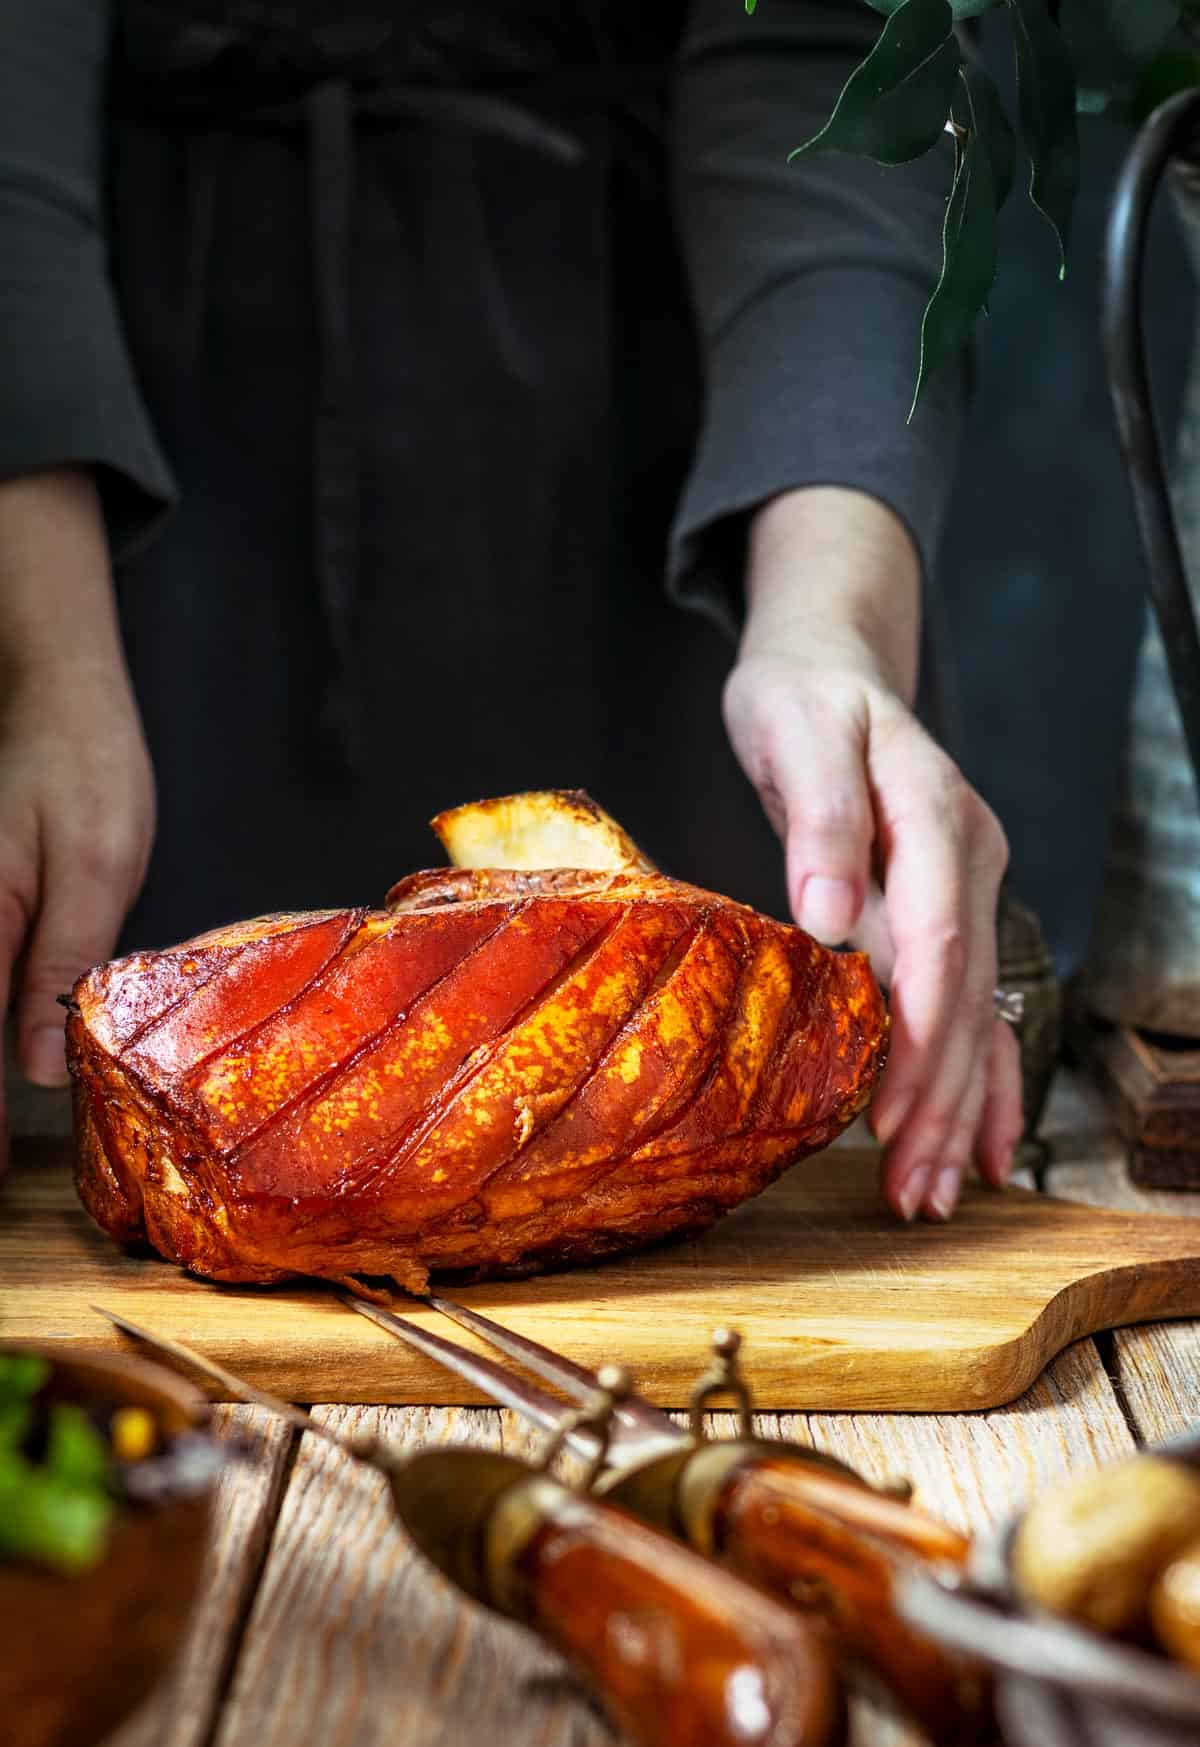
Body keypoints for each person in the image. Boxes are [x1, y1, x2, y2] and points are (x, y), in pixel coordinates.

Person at [0, 0, 1020, 1219]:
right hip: (107, 460)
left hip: (674, 444)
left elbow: (832, 47)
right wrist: (37, 664)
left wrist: (831, 623)